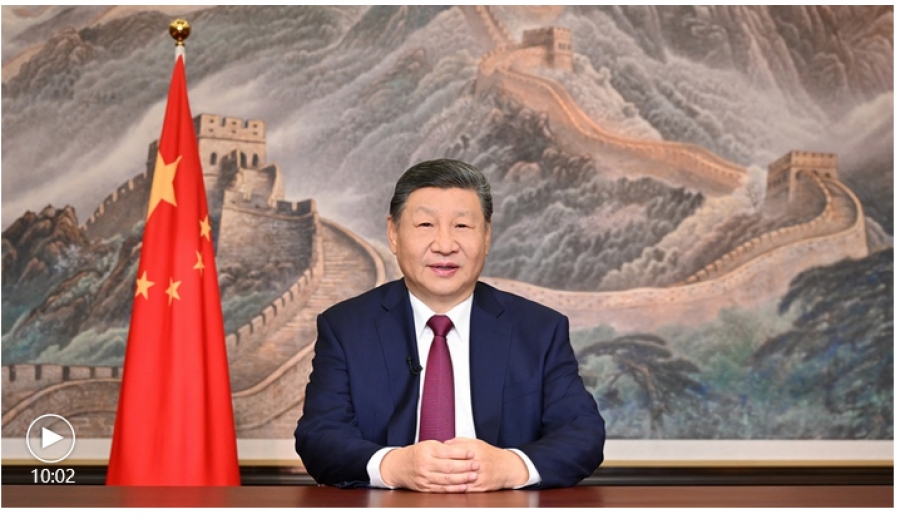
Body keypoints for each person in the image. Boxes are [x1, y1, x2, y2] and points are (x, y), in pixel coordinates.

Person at [294, 158, 605, 492]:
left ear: (486, 236)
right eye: (426, 224)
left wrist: (509, 467)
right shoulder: (346, 328)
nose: (445, 245)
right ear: (394, 234)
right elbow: (319, 436)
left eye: (462, 226)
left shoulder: (539, 330)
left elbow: (583, 434)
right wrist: (393, 466)